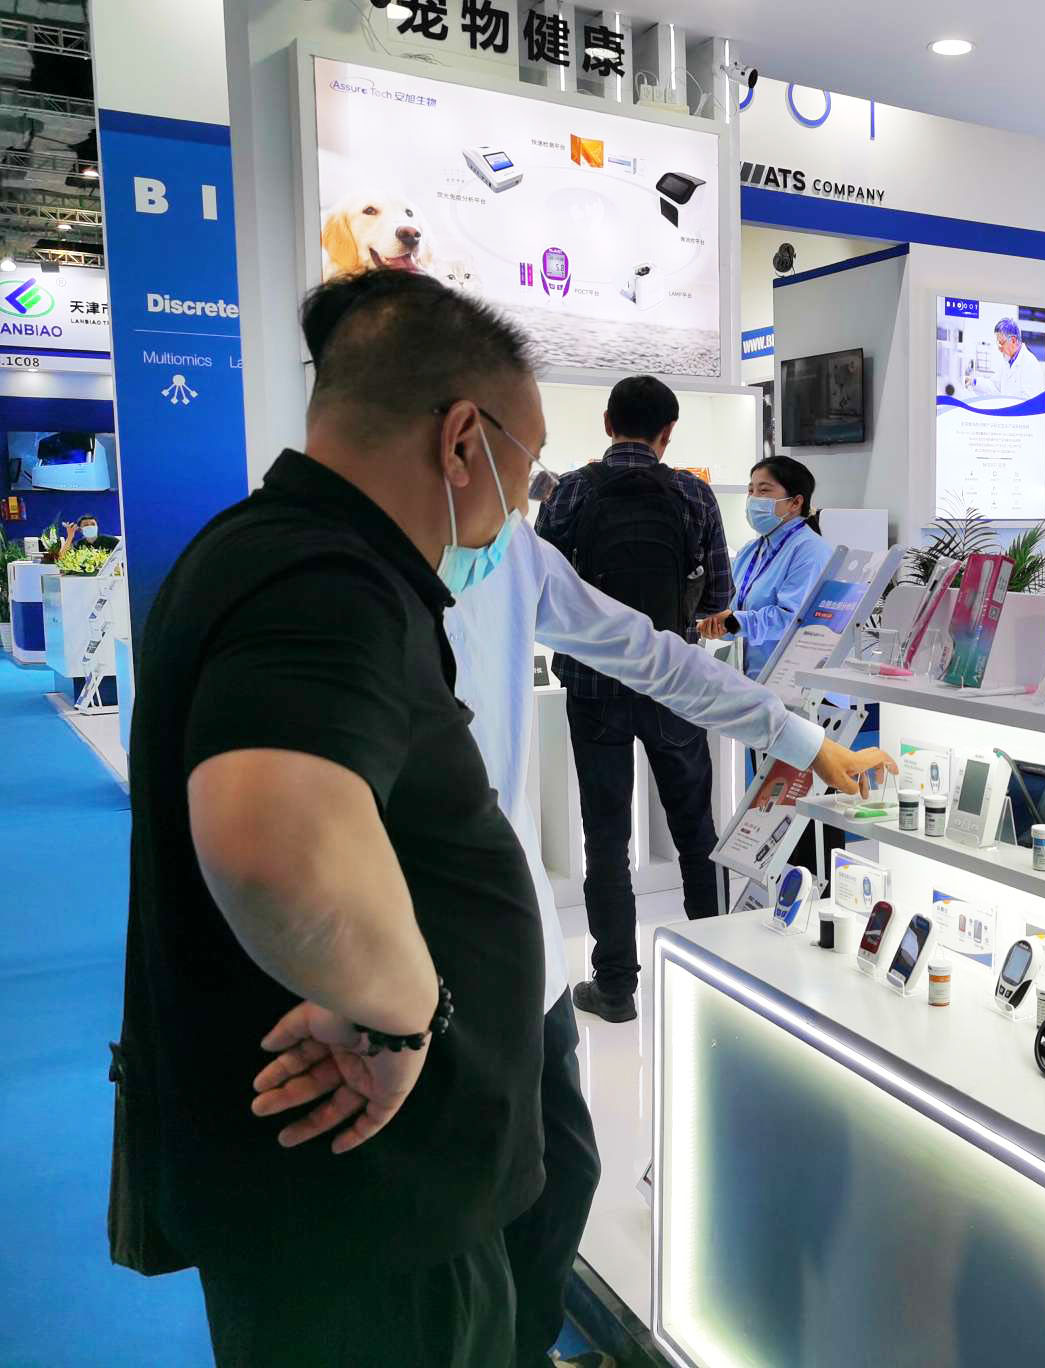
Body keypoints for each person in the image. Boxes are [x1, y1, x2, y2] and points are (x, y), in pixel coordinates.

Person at [118, 269, 549, 1364]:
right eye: (526, 469)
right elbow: (273, 842)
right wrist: (402, 1014)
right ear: (463, 440)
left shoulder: (268, 551)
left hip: (343, 1202)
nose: (520, 506)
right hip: (371, 1210)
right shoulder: (326, 581)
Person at [446, 515, 891, 1365]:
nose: (528, 477)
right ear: (457, 446)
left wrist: (798, 739)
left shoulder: (512, 552)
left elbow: (648, 651)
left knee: (561, 1171)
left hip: (523, 945)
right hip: (423, 964)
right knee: (462, 1209)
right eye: (520, 454)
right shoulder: (350, 567)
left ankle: (522, 1350)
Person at [536, 375, 734, 1023]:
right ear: (668, 432)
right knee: (696, 832)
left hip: (594, 685)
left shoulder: (568, 492)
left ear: (606, 422)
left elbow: (544, 591)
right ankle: (716, 976)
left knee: (606, 837)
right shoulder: (694, 494)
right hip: (674, 680)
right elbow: (717, 596)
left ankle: (616, 987)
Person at [696, 455, 831, 680]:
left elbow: (790, 619)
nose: (753, 499)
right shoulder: (752, 550)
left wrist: (731, 622)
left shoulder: (811, 550)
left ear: (795, 502)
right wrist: (719, 625)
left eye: (764, 490)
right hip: (749, 679)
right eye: (751, 491)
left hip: (788, 681)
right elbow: (735, 611)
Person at [966, 317, 1045, 401]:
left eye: (1001, 343)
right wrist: (973, 381)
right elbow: (995, 387)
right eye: (998, 343)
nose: (999, 348)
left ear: (1013, 340)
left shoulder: (1030, 363)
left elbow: (1027, 401)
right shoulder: (1008, 362)